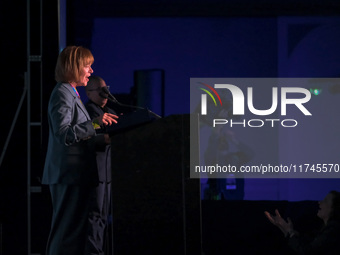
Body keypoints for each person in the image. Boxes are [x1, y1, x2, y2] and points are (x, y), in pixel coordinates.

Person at [42, 46, 118, 255]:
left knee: (73, 235)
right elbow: (64, 133)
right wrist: (95, 124)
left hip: (75, 175)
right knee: (65, 234)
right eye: (87, 66)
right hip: (68, 174)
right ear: (74, 67)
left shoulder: (70, 92)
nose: (91, 71)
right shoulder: (62, 93)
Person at [84, 76, 117, 254]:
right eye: (100, 90)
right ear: (89, 93)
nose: (105, 93)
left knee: (103, 217)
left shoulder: (110, 111)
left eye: (106, 89)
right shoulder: (88, 111)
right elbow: (85, 139)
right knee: (95, 216)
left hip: (107, 174)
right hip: (95, 173)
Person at [265, 190, 340, 255]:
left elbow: (307, 251)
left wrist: (289, 231)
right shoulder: (323, 229)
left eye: (325, 201)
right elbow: (302, 243)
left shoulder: (333, 230)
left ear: (334, 208)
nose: (320, 202)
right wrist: (284, 227)